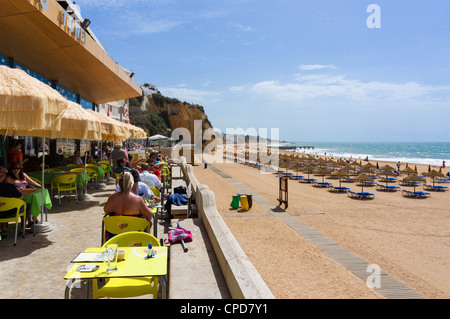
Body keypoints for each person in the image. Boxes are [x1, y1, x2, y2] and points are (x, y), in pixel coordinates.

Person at [0, 165, 29, 238]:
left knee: (2, 206)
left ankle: (3, 230)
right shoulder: (9, 187)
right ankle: (22, 230)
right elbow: (21, 197)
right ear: (3, 176)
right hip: (11, 212)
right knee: (27, 206)